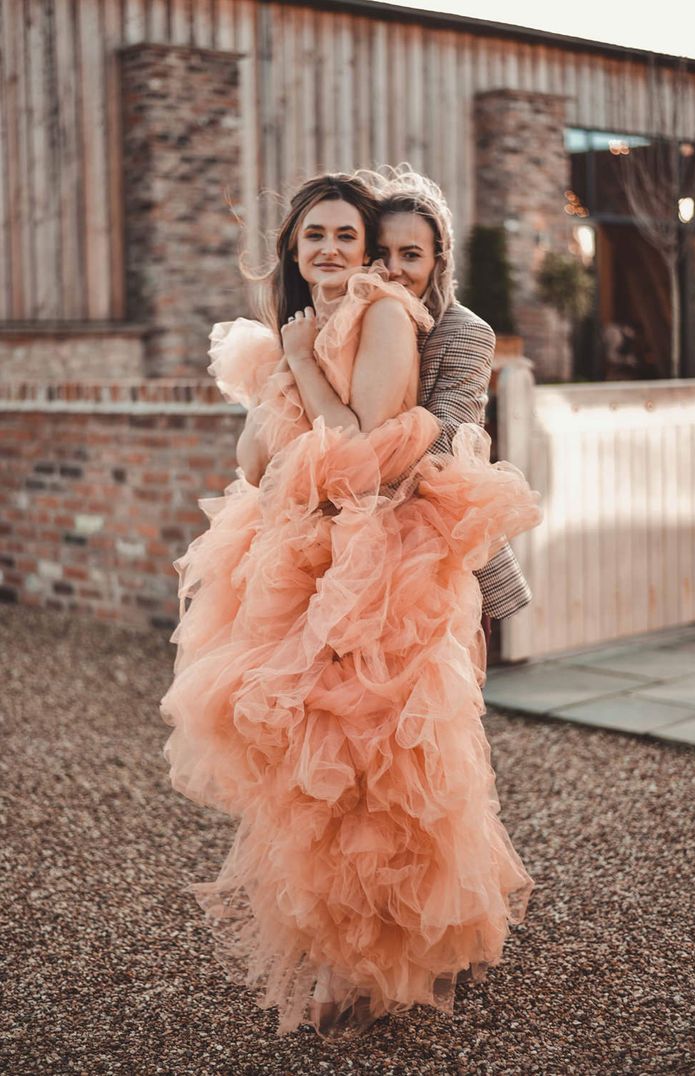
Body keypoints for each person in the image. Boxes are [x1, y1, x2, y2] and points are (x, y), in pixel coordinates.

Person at [159, 172, 543, 1039]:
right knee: (317, 755)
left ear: (435, 258)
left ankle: (408, 937)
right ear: (297, 253)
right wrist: (291, 378)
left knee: (409, 752)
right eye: (327, 240)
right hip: (305, 560)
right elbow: (258, 463)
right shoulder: (306, 326)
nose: (382, 264)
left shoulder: (435, 327)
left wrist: (307, 385)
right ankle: (349, 937)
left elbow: (402, 445)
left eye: (404, 253)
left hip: (406, 556)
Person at [371, 168, 534, 658]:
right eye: (382, 253)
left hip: (433, 543)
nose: (394, 268)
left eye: (412, 254)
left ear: (439, 260)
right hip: (357, 542)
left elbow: (446, 444)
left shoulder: (465, 332)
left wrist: (349, 475)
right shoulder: (350, 324)